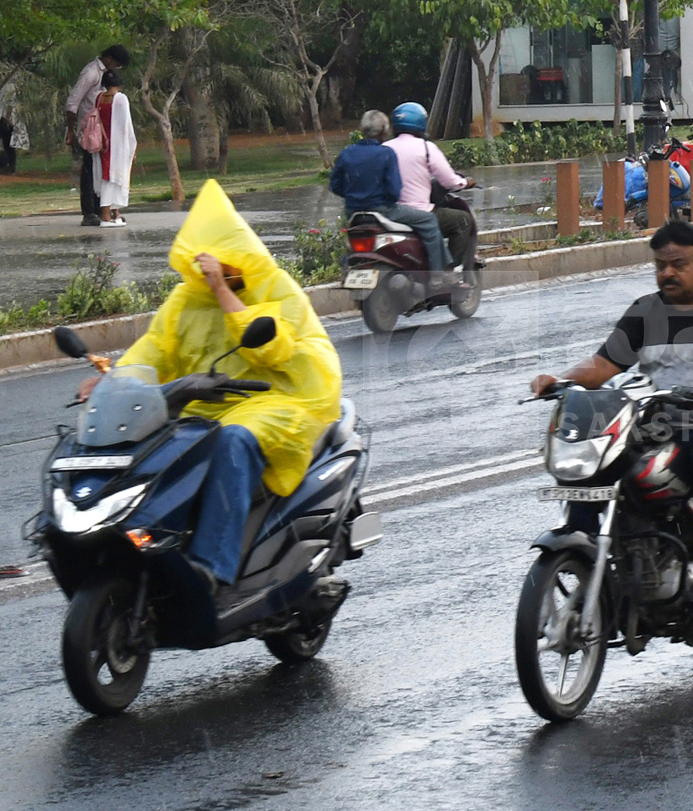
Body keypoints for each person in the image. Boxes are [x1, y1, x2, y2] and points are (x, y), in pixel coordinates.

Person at [83, 180, 342, 589]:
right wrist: (111, 384)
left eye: (223, 266)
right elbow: (151, 351)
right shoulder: (185, 300)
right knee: (155, 448)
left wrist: (223, 290)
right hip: (202, 405)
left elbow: (272, 351)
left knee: (233, 441)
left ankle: (213, 567)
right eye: (208, 268)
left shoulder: (274, 288)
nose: (212, 274)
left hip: (279, 400)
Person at [530, 220, 693, 611]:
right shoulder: (645, 311)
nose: (667, 273)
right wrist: (561, 379)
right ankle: (586, 555)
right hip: (657, 423)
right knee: (593, 464)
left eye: (678, 264)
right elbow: (604, 364)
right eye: (660, 265)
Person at [330, 110, 454, 287]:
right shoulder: (386, 154)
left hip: (353, 212)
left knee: (350, 241)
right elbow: (395, 191)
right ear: (383, 131)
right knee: (429, 221)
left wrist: (354, 197)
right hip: (383, 210)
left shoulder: (347, 153)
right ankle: (436, 275)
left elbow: (335, 185)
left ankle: (346, 269)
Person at [384, 102, 475, 272]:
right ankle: (451, 270)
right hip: (420, 212)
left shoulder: (384, 148)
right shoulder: (426, 148)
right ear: (421, 123)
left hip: (390, 213)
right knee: (463, 221)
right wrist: (465, 182)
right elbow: (449, 181)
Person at [65, 45, 131, 227]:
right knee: (89, 171)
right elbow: (73, 103)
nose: (116, 69)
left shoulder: (105, 75)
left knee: (101, 170)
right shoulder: (91, 73)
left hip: (104, 132)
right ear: (109, 59)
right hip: (90, 131)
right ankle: (89, 212)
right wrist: (71, 131)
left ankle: (103, 209)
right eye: (116, 64)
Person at [91, 70, 137, 228]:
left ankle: (114, 212)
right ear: (119, 84)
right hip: (117, 144)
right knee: (113, 177)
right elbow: (126, 124)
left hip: (102, 142)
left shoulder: (98, 97)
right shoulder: (121, 98)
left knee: (105, 175)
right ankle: (106, 216)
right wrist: (132, 145)